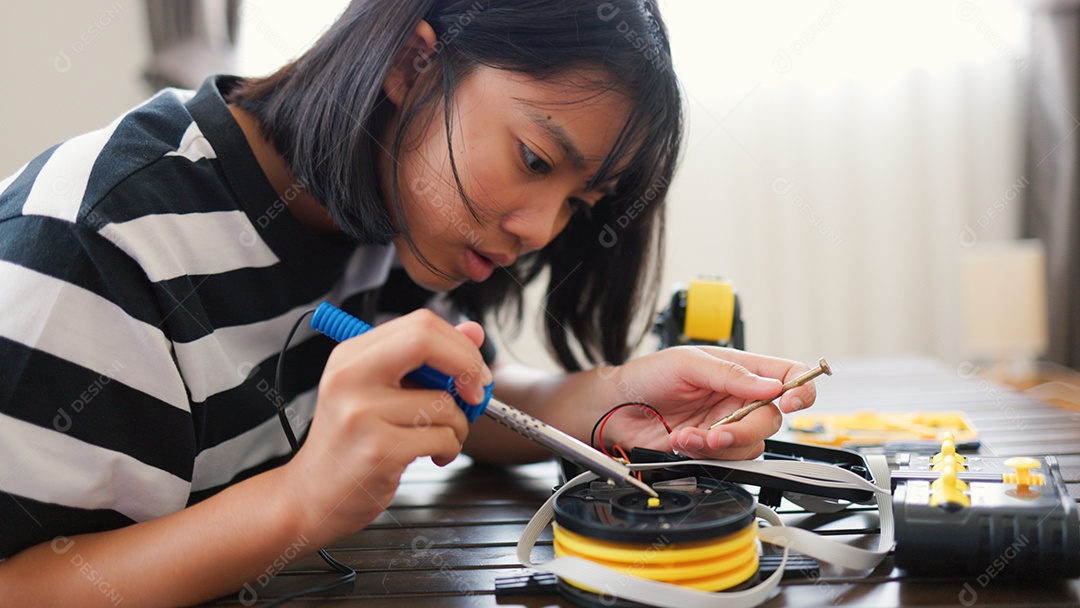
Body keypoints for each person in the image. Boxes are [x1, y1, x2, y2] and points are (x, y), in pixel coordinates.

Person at [0, 0, 817, 605]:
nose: (540, 229)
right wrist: (296, 504)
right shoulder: (97, 240)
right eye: (534, 158)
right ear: (412, 65)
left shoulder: (387, 202)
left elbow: (467, 400)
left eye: (582, 201)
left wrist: (609, 402)